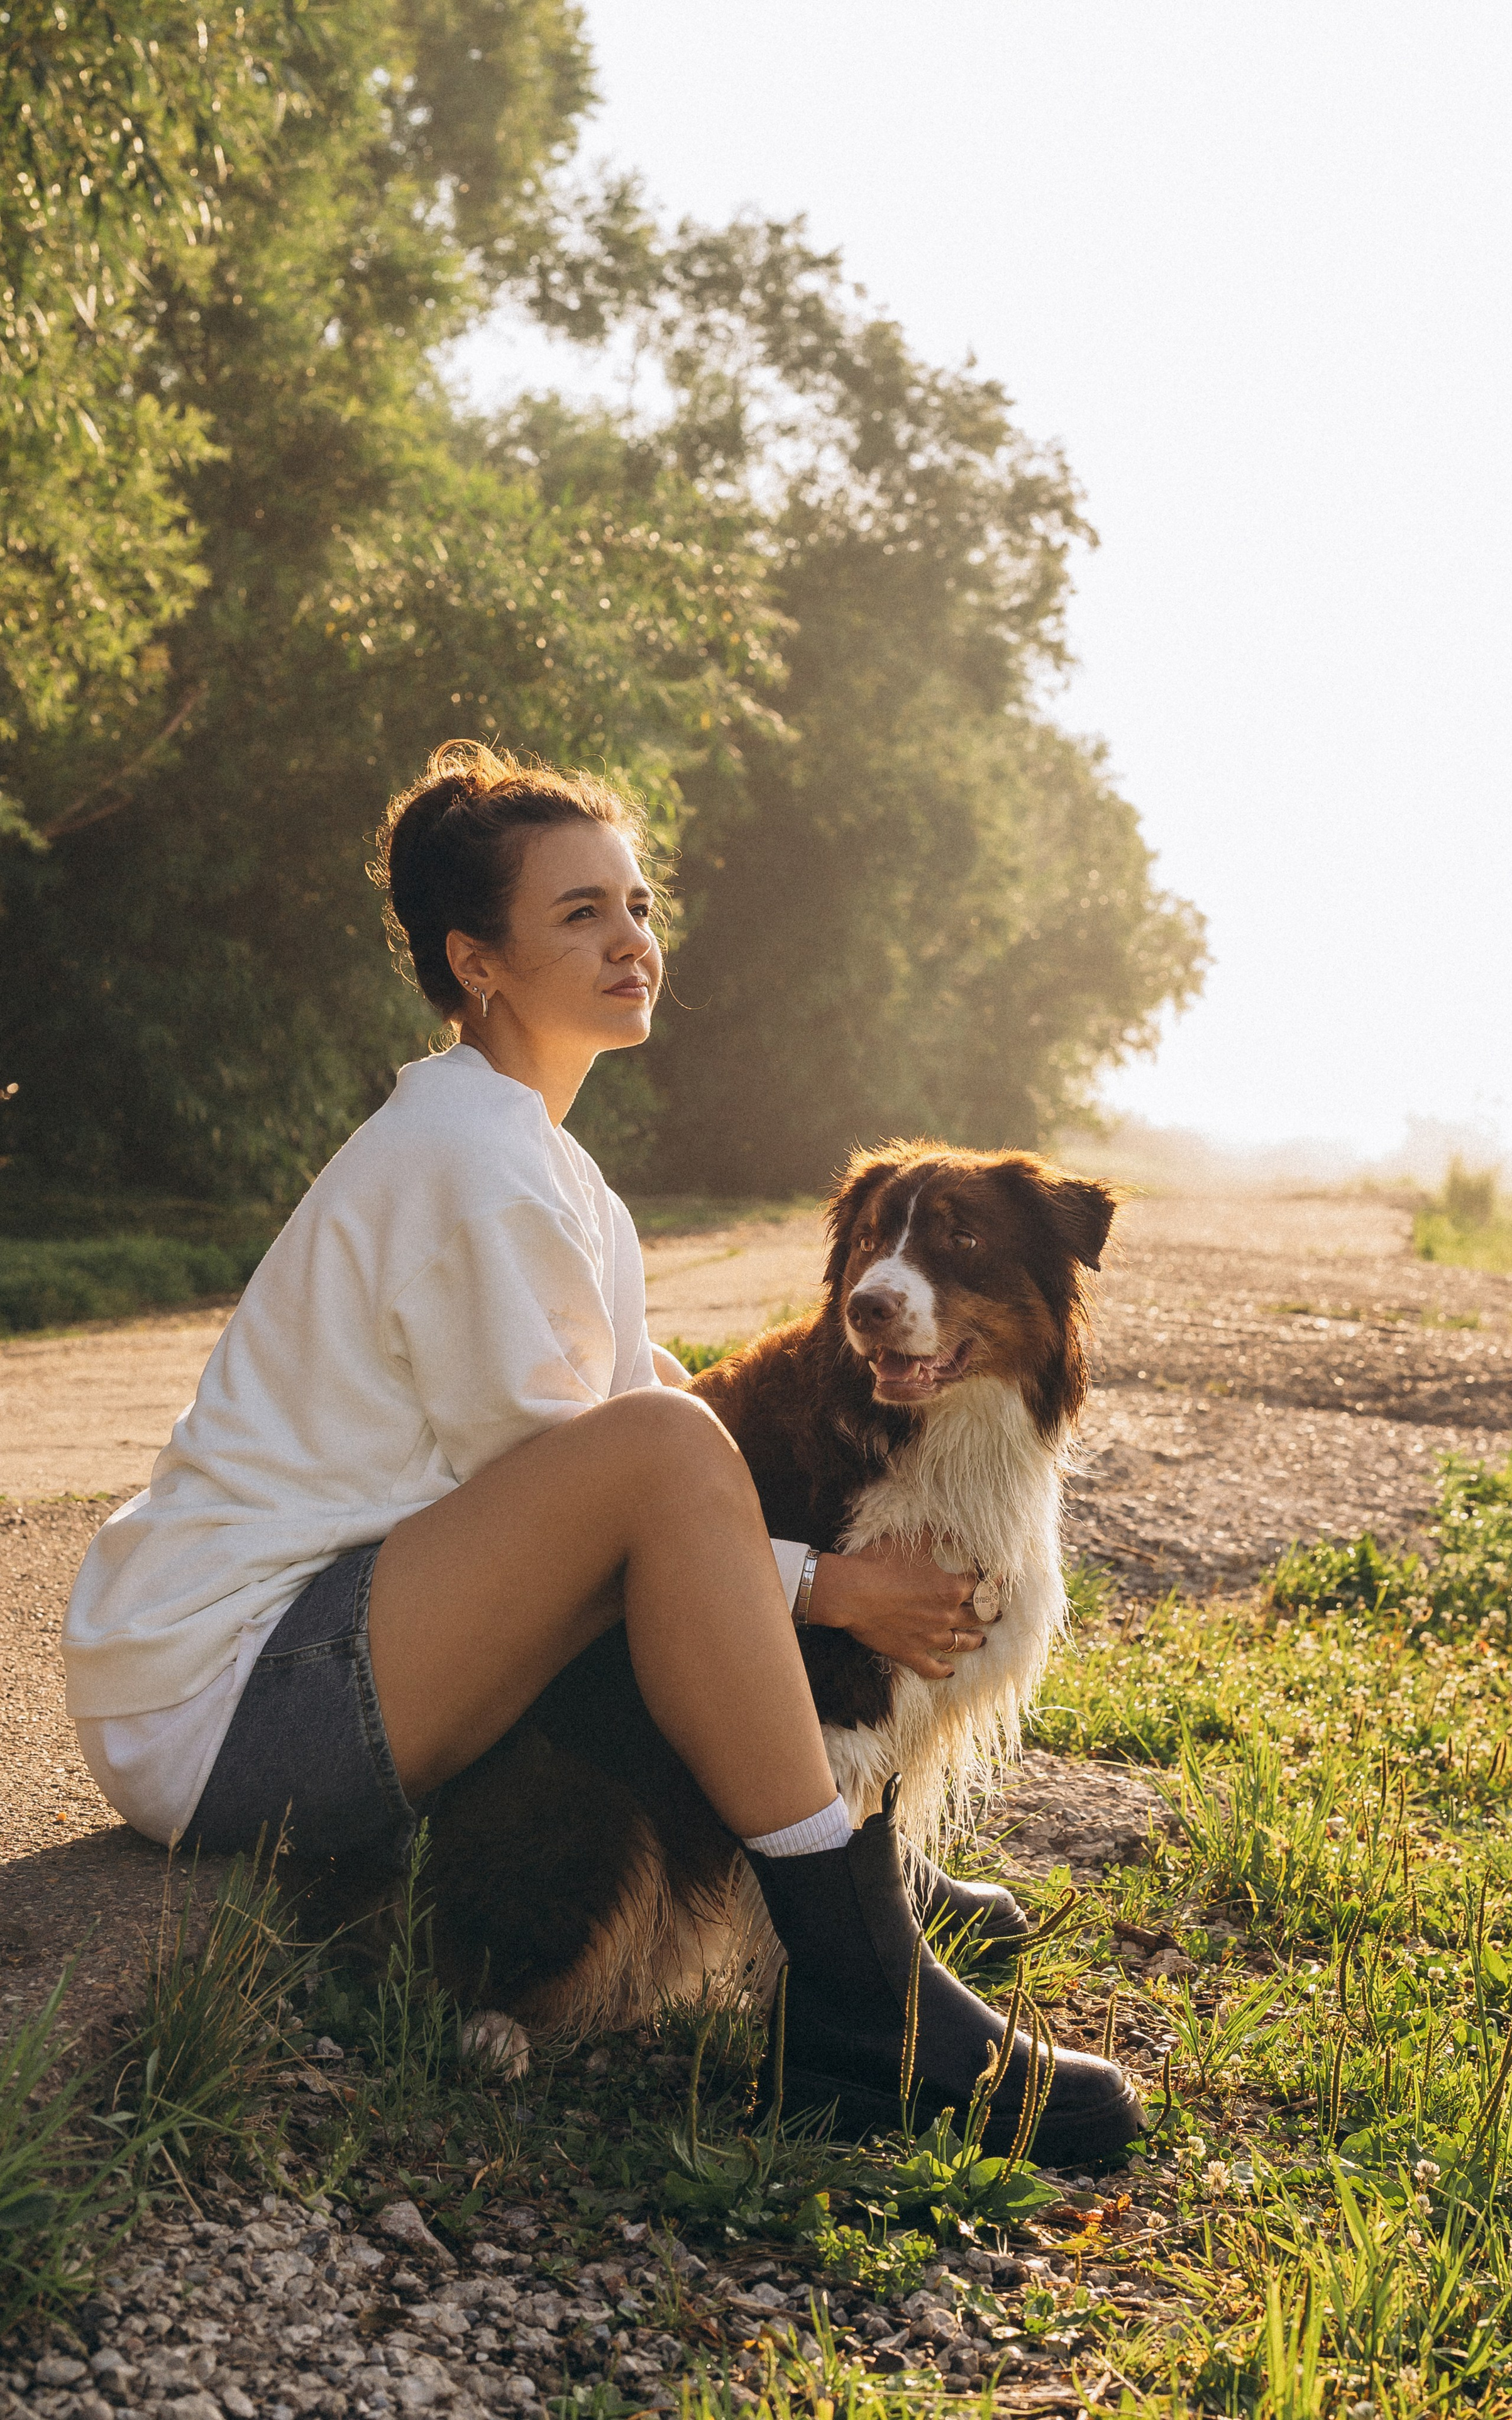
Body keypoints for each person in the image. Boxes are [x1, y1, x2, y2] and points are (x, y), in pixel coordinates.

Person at [63, 741, 1140, 2163]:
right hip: (236, 1699)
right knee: (663, 1447)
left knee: (676, 1424)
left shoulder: (538, 1156)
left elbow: (655, 1454)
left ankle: (853, 1892)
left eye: (634, 905)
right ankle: (854, 1992)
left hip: (304, 1660)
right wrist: (827, 1589)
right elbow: (621, 1504)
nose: (631, 939)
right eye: (578, 914)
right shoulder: (468, 1160)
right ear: (478, 961)